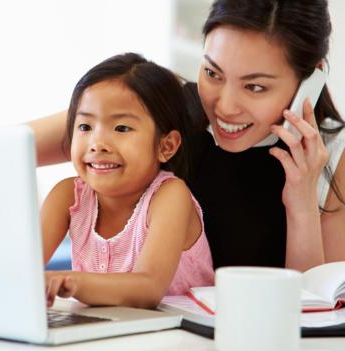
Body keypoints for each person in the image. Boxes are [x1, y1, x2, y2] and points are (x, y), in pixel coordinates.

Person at [29, 0, 345, 273]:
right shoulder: (161, 112)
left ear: (310, 80)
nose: (225, 106)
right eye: (212, 73)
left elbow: (310, 310)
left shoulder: (338, 152)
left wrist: (302, 202)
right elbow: (4, 150)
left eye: (255, 86)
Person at [40, 53, 214, 309]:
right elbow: (19, 269)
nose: (98, 144)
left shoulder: (170, 195)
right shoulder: (67, 196)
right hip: (108, 331)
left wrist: (72, 281)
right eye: (85, 127)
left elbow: (148, 288)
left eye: (121, 128)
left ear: (166, 146)